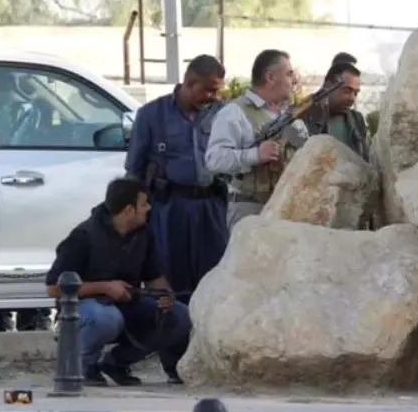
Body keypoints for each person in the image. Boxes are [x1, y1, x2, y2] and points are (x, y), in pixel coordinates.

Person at [44, 177, 192, 386]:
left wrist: (165, 296)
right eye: (144, 204)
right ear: (129, 210)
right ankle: (83, 366)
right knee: (106, 319)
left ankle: (117, 363)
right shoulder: (83, 236)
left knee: (179, 316)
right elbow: (53, 288)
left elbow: (154, 277)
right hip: (87, 308)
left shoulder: (143, 234)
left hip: (128, 304)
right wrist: (105, 287)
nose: (149, 208)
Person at [125, 54, 229, 301]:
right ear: (190, 83)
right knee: (171, 276)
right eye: (209, 90)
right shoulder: (152, 114)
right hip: (170, 209)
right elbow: (134, 170)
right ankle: (174, 333)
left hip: (212, 207)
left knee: (215, 275)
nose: (213, 96)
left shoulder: (223, 113)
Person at [205, 49, 308, 231]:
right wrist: (255, 155)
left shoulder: (290, 115)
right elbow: (214, 159)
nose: (294, 80)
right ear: (270, 77)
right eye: (289, 74)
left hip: (284, 208)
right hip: (250, 209)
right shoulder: (234, 113)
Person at [300, 61, 369, 161]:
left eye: (356, 93)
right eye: (347, 91)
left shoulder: (356, 119)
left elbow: (365, 158)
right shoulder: (305, 118)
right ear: (328, 86)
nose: (352, 98)